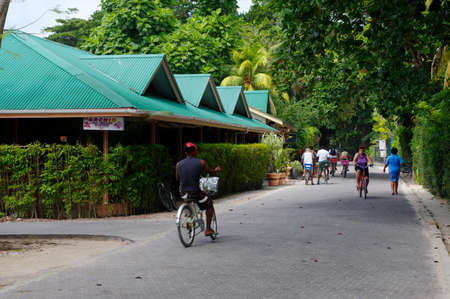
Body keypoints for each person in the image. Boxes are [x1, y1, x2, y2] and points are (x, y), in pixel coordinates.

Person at [176, 142, 221, 236]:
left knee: (188, 199)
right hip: (195, 192)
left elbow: (178, 178)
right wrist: (216, 170)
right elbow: (211, 172)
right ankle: (208, 229)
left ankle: (189, 214)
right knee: (209, 204)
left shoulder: (178, 164)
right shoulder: (201, 162)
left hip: (182, 192)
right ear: (194, 152)